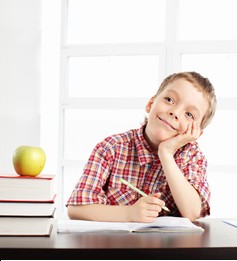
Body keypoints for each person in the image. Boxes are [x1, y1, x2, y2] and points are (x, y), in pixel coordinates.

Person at [67, 71, 216, 222]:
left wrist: (166, 153)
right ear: (151, 103)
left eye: (189, 114)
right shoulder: (111, 148)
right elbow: (76, 209)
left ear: (196, 133)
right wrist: (130, 214)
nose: (175, 112)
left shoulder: (192, 157)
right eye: (169, 100)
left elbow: (192, 212)